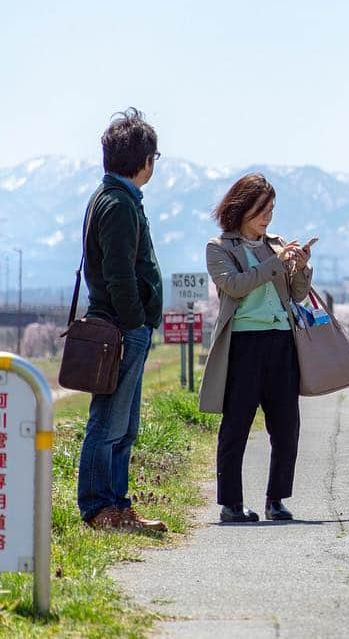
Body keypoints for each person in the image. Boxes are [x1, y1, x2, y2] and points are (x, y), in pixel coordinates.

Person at [199, 173, 314, 523]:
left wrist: (302, 267)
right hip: (243, 344)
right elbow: (234, 286)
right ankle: (231, 504)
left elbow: (295, 295)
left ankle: (276, 500)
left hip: (281, 342)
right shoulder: (219, 247)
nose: (267, 217)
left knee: (286, 425)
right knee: (236, 425)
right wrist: (275, 263)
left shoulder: (276, 245)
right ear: (241, 208)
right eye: (261, 210)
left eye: (271, 210)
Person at [77, 108, 167, 533]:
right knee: (108, 421)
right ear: (144, 160)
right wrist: (136, 321)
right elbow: (119, 273)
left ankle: (118, 504)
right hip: (120, 329)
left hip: (123, 328)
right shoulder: (117, 203)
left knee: (123, 424)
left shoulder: (117, 198)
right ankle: (99, 509)